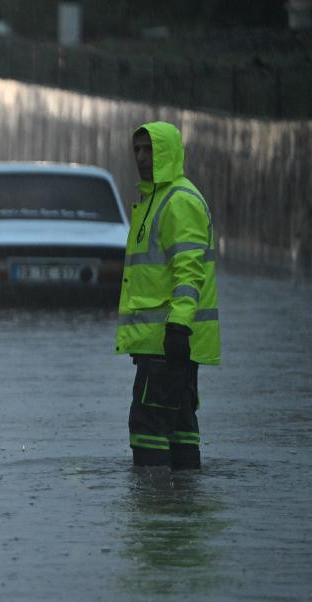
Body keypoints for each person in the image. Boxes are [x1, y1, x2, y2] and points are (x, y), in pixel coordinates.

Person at [116, 121, 220, 470]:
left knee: (146, 430)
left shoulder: (179, 201)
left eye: (150, 150)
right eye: (137, 150)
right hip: (164, 342)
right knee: (179, 430)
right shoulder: (155, 200)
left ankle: (154, 517)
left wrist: (178, 328)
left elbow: (189, 272)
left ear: (168, 152)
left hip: (168, 342)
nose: (142, 158)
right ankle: (183, 510)